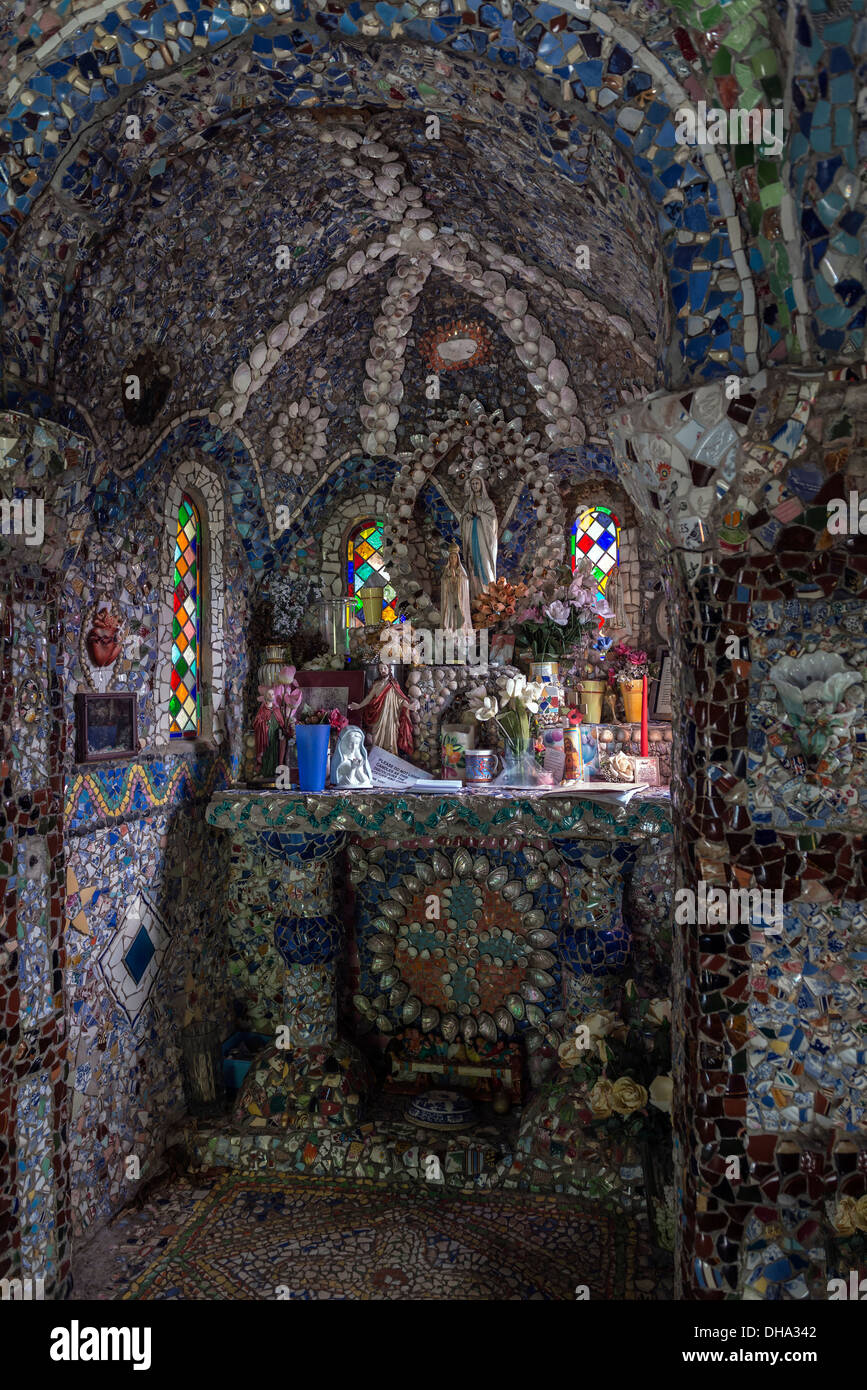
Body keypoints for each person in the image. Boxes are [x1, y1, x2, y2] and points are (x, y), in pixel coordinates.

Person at [348, 661, 416, 757]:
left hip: (391, 717)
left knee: (391, 736)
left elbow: (400, 700)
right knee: (376, 736)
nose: (382, 671)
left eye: (384, 668)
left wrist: (409, 706)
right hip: (379, 716)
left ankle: (390, 757)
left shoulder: (393, 685)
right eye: (380, 669)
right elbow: (369, 698)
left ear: (389, 669)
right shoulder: (376, 684)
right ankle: (376, 756)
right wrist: (359, 706)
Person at [460, 474, 498, 600]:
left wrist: (480, 514)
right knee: (473, 563)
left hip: (483, 537)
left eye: (477, 483)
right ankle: (477, 594)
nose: (475, 486)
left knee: (485, 562)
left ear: (481, 485)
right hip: (472, 535)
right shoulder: (468, 503)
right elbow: (463, 519)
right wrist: (467, 518)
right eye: (473, 484)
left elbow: (493, 520)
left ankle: (489, 592)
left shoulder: (487, 502)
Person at [440, 543, 473, 633]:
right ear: (449, 559)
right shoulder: (446, 571)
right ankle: (449, 630)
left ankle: (461, 630)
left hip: (459, 598)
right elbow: (443, 582)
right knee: (449, 613)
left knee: (459, 613)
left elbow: (465, 582)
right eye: (451, 557)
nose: (453, 559)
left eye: (454, 557)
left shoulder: (462, 571)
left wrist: (457, 579)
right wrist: (450, 579)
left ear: (457, 558)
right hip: (450, 596)